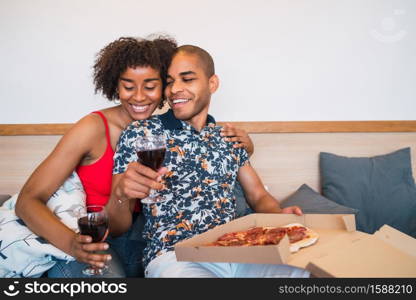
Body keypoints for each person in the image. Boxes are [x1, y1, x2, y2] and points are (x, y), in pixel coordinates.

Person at [13, 36, 253, 278]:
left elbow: (215, 159)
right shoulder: (93, 128)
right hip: (100, 237)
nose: (139, 97)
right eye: (128, 86)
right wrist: (72, 243)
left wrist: (246, 148)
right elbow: (28, 200)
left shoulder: (172, 130)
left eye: (150, 86)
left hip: (147, 233)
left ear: (163, 87)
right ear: (115, 86)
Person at [109, 45, 309, 277]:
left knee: (300, 274)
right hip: (175, 257)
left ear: (212, 84)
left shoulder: (227, 135)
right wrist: (121, 195)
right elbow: (115, 226)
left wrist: (280, 214)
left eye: (187, 79)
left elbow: (257, 195)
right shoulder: (141, 132)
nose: (175, 89)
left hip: (238, 249)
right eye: (170, 81)